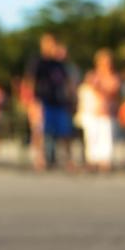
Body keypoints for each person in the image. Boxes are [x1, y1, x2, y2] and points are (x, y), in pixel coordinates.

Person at [25, 34, 75, 170]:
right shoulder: (38, 62)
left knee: (65, 132)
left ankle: (68, 160)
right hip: (42, 101)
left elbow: (67, 82)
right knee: (39, 131)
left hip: (59, 102)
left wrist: (71, 99)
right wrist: (31, 102)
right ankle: (39, 158)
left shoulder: (59, 63)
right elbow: (29, 81)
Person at [78, 49, 120, 171]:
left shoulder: (113, 77)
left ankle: (105, 162)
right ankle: (92, 161)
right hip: (92, 112)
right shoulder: (92, 75)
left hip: (107, 113)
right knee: (92, 137)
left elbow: (112, 92)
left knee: (106, 137)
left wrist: (98, 87)